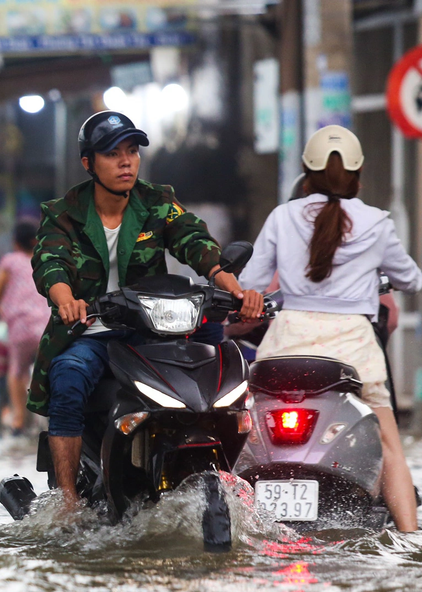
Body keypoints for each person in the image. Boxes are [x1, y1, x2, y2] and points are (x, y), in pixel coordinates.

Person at [27, 110, 264, 513]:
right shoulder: (63, 212)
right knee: (68, 378)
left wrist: (235, 289)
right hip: (93, 330)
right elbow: (51, 261)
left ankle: (237, 469)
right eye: (112, 154)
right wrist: (65, 297)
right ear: (89, 163)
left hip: (154, 329)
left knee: (222, 363)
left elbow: (194, 240)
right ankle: (67, 501)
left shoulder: (157, 201)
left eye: (132, 152)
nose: (126, 162)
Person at [239, 125, 422, 531]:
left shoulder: (282, 216)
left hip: (286, 345)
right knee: (390, 447)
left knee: (245, 431)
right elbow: (409, 279)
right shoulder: (377, 223)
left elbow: (250, 283)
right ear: (357, 177)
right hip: (354, 351)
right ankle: (411, 538)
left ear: (306, 174)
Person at [0, 221, 51, 435]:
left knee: (17, 371)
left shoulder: (9, 262)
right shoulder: (44, 261)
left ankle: (18, 420)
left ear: (15, 241)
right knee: (49, 369)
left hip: (20, 326)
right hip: (47, 325)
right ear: (37, 241)